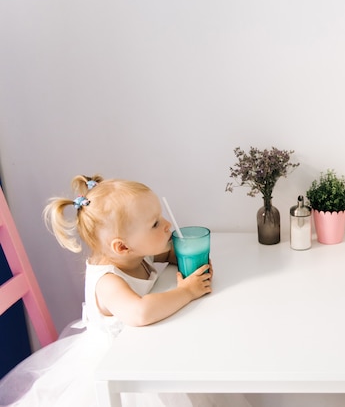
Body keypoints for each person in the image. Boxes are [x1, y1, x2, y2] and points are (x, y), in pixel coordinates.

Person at [0, 174, 251, 407]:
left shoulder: (136, 254)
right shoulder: (108, 281)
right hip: (119, 366)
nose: (166, 225)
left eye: (161, 217)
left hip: (147, 344)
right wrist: (187, 291)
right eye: (154, 224)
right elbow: (140, 313)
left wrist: (188, 260)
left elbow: (168, 254)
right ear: (122, 247)